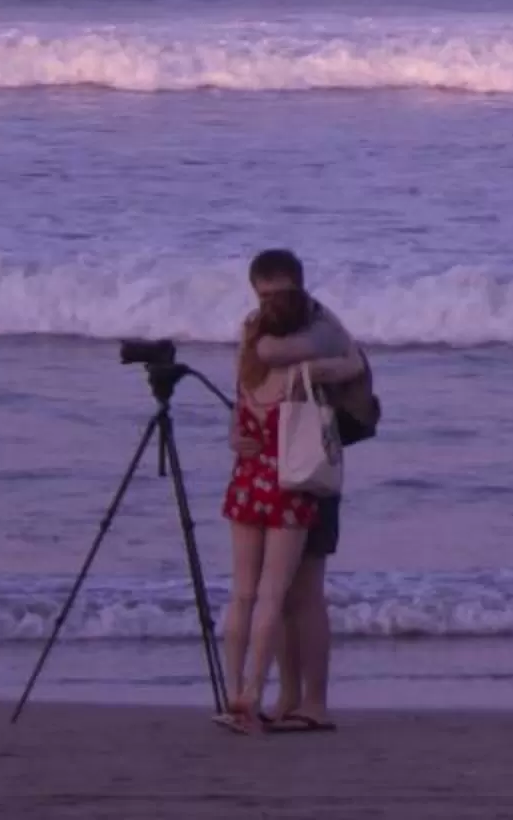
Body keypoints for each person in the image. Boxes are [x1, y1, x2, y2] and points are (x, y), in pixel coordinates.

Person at [238, 248, 371, 733]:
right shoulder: (258, 327)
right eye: (264, 294)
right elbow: (248, 389)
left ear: (299, 287)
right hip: (271, 470)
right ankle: (288, 695)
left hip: (313, 468)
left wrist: (288, 363)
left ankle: (315, 701)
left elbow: (348, 364)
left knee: (307, 591)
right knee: (281, 594)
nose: (272, 303)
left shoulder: (321, 328)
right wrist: (238, 436)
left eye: (281, 292)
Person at [213, 288, 318, 733]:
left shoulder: (247, 369)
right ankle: (254, 694)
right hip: (287, 485)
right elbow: (350, 360)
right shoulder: (302, 372)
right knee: (272, 597)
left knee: (242, 594)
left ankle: (231, 689)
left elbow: (238, 425)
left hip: (246, 480)